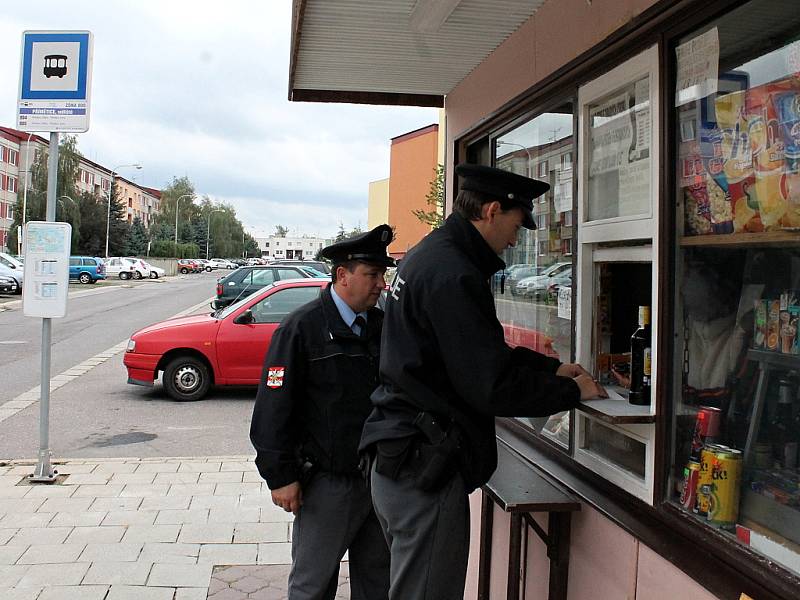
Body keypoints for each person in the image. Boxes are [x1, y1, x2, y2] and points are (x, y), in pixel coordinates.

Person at [359, 164, 606, 600]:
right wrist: (572, 391)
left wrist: (549, 369)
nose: (516, 239)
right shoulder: (454, 273)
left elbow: (468, 353)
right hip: (422, 468)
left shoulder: (430, 256)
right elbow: (488, 384)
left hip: (399, 457)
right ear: (492, 211)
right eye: (516, 225)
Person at [250, 224, 395, 600]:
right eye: (372, 275)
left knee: (379, 583)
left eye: (383, 275)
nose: (381, 283)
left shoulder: (383, 327)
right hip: (327, 485)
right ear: (342, 275)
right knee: (313, 586)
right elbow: (272, 410)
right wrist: (280, 475)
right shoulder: (301, 329)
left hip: (378, 479)